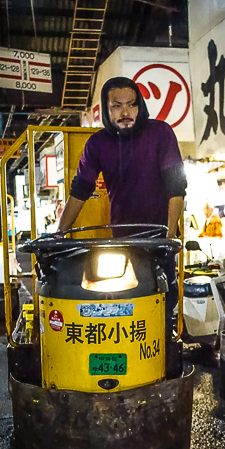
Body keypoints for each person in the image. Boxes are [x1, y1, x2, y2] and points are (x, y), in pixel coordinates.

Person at [57, 76, 187, 373]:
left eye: (132, 104)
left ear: (140, 106)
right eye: (117, 106)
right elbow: (80, 191)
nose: (125, 112)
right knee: (122, 308)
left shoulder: (161, 133)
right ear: (106, 109)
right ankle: (126, 369)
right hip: (123, 243)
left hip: (159, 241)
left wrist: (168, 237)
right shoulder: (97, 144)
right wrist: (59, 231)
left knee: (162, 306)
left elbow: (176, 188)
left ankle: (162, 369)